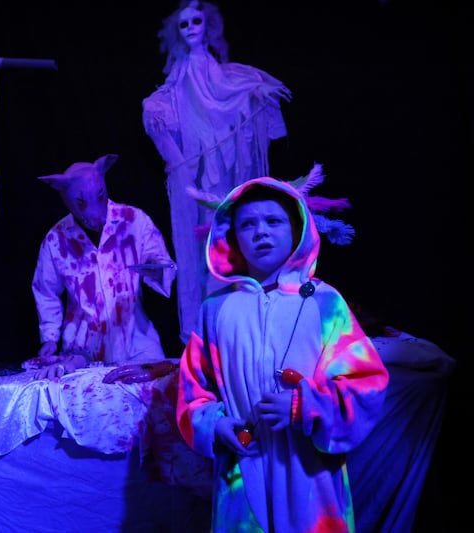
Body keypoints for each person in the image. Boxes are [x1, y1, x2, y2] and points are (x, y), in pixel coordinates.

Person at [176, 177, 389, 532]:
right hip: (244, 468)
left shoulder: (325, 303)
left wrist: (303, 406)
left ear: (298, 227)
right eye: (247, 224)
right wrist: (215, 425)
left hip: (310, 471)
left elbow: (365, 385)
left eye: (273, 221)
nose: (260, 232)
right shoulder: (215, 311)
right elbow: (192, 389)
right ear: (232, 237)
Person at [142, 0, 292, 344]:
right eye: (184, 24)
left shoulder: (234, 80)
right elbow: (163, 124)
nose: (192, 27)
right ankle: (209, 334)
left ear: (208, 25)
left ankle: (249, 322)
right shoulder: (172, 91)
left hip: (230, 180)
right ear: (176, 34)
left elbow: (264, 112)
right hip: (196, 185)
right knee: (202, 250)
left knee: (236, 240)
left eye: (197, 21)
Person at [24, 154, 178, 382]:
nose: (96, 214)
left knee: (154, 397)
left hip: (135, 340)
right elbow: (45, 289)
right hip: (82, 349)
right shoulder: (56, 238)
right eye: (81, 203)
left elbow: (162, 263)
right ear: (64, 195)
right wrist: (49, 336)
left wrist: (155, 268)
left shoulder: (134, 220)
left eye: (100, 196)